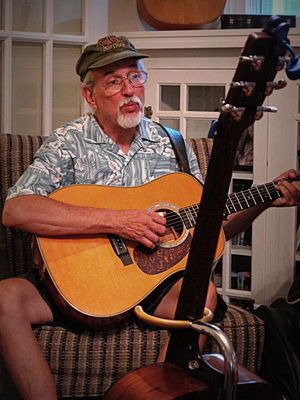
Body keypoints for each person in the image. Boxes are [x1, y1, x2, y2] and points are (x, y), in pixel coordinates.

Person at [1, 35, 299, 400]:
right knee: (4, 299)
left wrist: (265, 199)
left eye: (136, 76)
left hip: (154, 283)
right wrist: (119, 222)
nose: (130, 90)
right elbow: (16, 210)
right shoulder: (67, 141)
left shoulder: (173, 143)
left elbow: (210, 228)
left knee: (201, 292)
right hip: (78, 282)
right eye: (113, 81)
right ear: (90, 96)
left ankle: (160, 393)